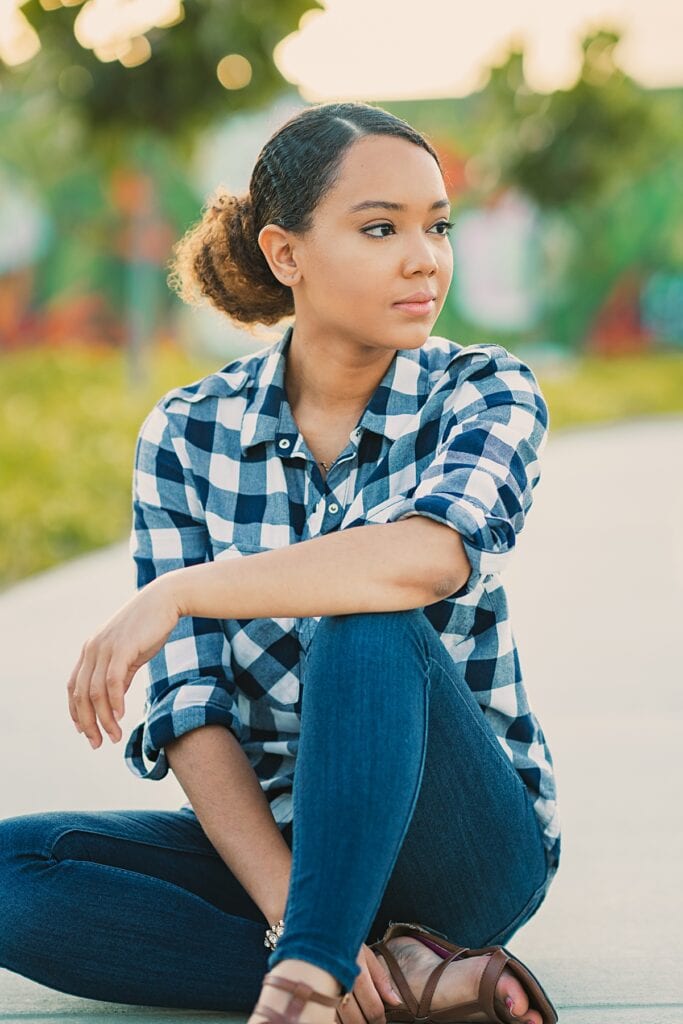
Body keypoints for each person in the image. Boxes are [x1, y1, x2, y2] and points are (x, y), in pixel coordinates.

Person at [0, 101, 560, 1024]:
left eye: (437, 226)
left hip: (461, 848)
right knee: (15, 869)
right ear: (285, 254)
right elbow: (192, 708)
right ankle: (398, 980)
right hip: (278, 848)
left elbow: (421, 562)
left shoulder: (484, 390)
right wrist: (284, 910)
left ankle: (307, 984)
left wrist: (182, 593)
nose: (424, 257)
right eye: (381, 228)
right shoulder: (187, 432)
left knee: (366, 607)